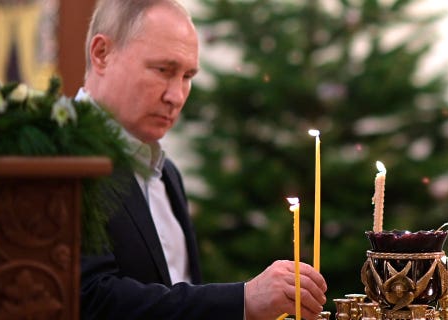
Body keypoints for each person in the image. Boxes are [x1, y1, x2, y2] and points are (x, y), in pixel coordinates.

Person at [79, 0, 327, 319]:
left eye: (187, 76)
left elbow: (177, 292)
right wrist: (242, 301)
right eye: (163, 70)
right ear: (102, 54)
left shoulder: (166, 172)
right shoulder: (57, 158)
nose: (176, 96)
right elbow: (89, 300)